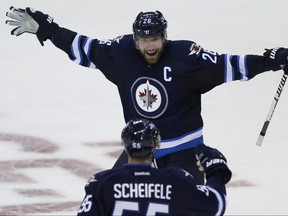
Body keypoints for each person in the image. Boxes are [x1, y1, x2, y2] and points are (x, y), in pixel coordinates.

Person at [5, 7, 288, 184]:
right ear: (135, 38)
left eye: (154, 39)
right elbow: (84, 47)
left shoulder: (186, 58)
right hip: (140, 154)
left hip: (185, 155)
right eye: (143, 40)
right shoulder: (121, 54)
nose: (149, 46)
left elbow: (232, 65)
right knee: (109, 201)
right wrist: (48, 30)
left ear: (164, 37)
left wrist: (270, 60)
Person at [77, 118, 232, 216]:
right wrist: (215, 171)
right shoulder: (176, 181)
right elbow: (216, 205)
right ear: (156, 146)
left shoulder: (102, 183)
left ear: (125, 146)